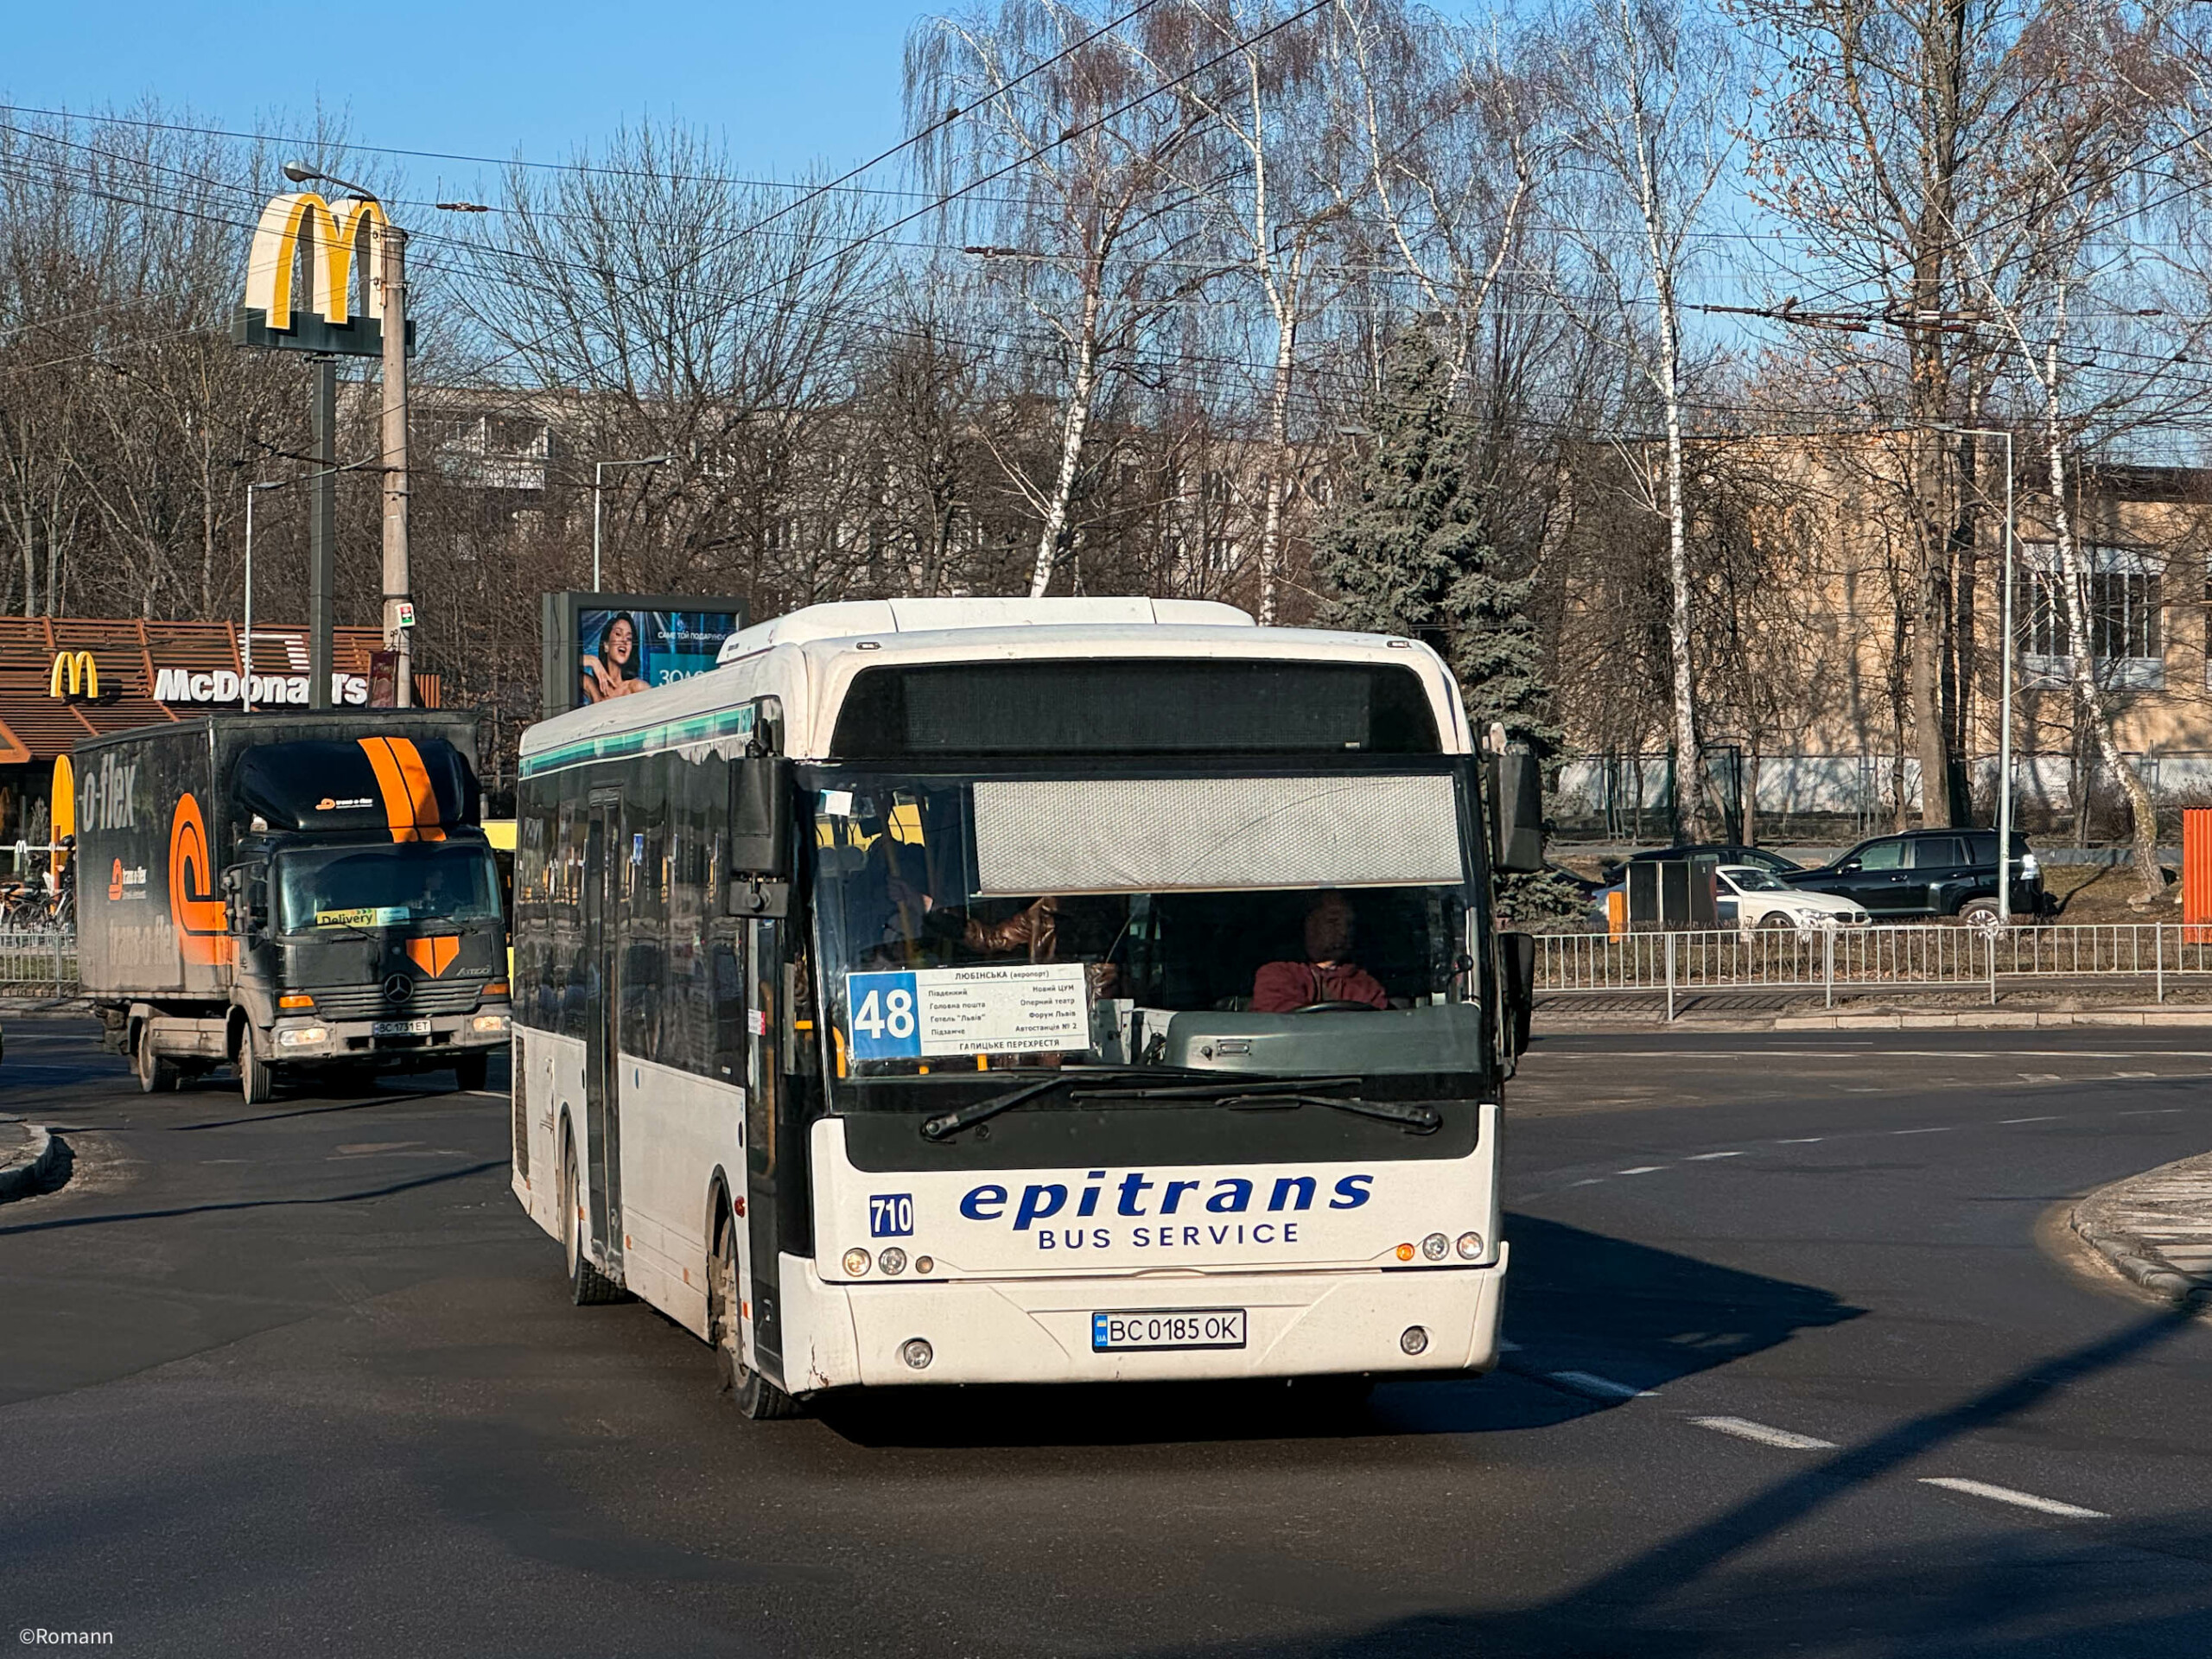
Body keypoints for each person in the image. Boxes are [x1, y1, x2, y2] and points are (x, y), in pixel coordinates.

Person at [1249, 891, 1389, 1012]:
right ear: (1308, 924)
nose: (1344, 932)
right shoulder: (1276, 974)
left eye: (1349, 924)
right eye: (1332, 921)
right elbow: (1282, 1025)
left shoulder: (1365, 983)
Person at [581, 613, 648, 703]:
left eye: (629, 638)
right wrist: (593, 661)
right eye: (618, 634)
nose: (624, 640)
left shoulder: (636, 688)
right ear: (606, 645)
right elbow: (560, 666)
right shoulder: (592, 686)